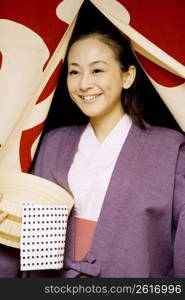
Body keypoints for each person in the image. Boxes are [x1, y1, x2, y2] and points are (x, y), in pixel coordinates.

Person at [1, 26, 185, 278]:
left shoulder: (171, 148)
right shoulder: (52, 144)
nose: (84, 84)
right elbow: (31, 237)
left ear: (127, 76)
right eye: (74, 71)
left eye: (97, 70)